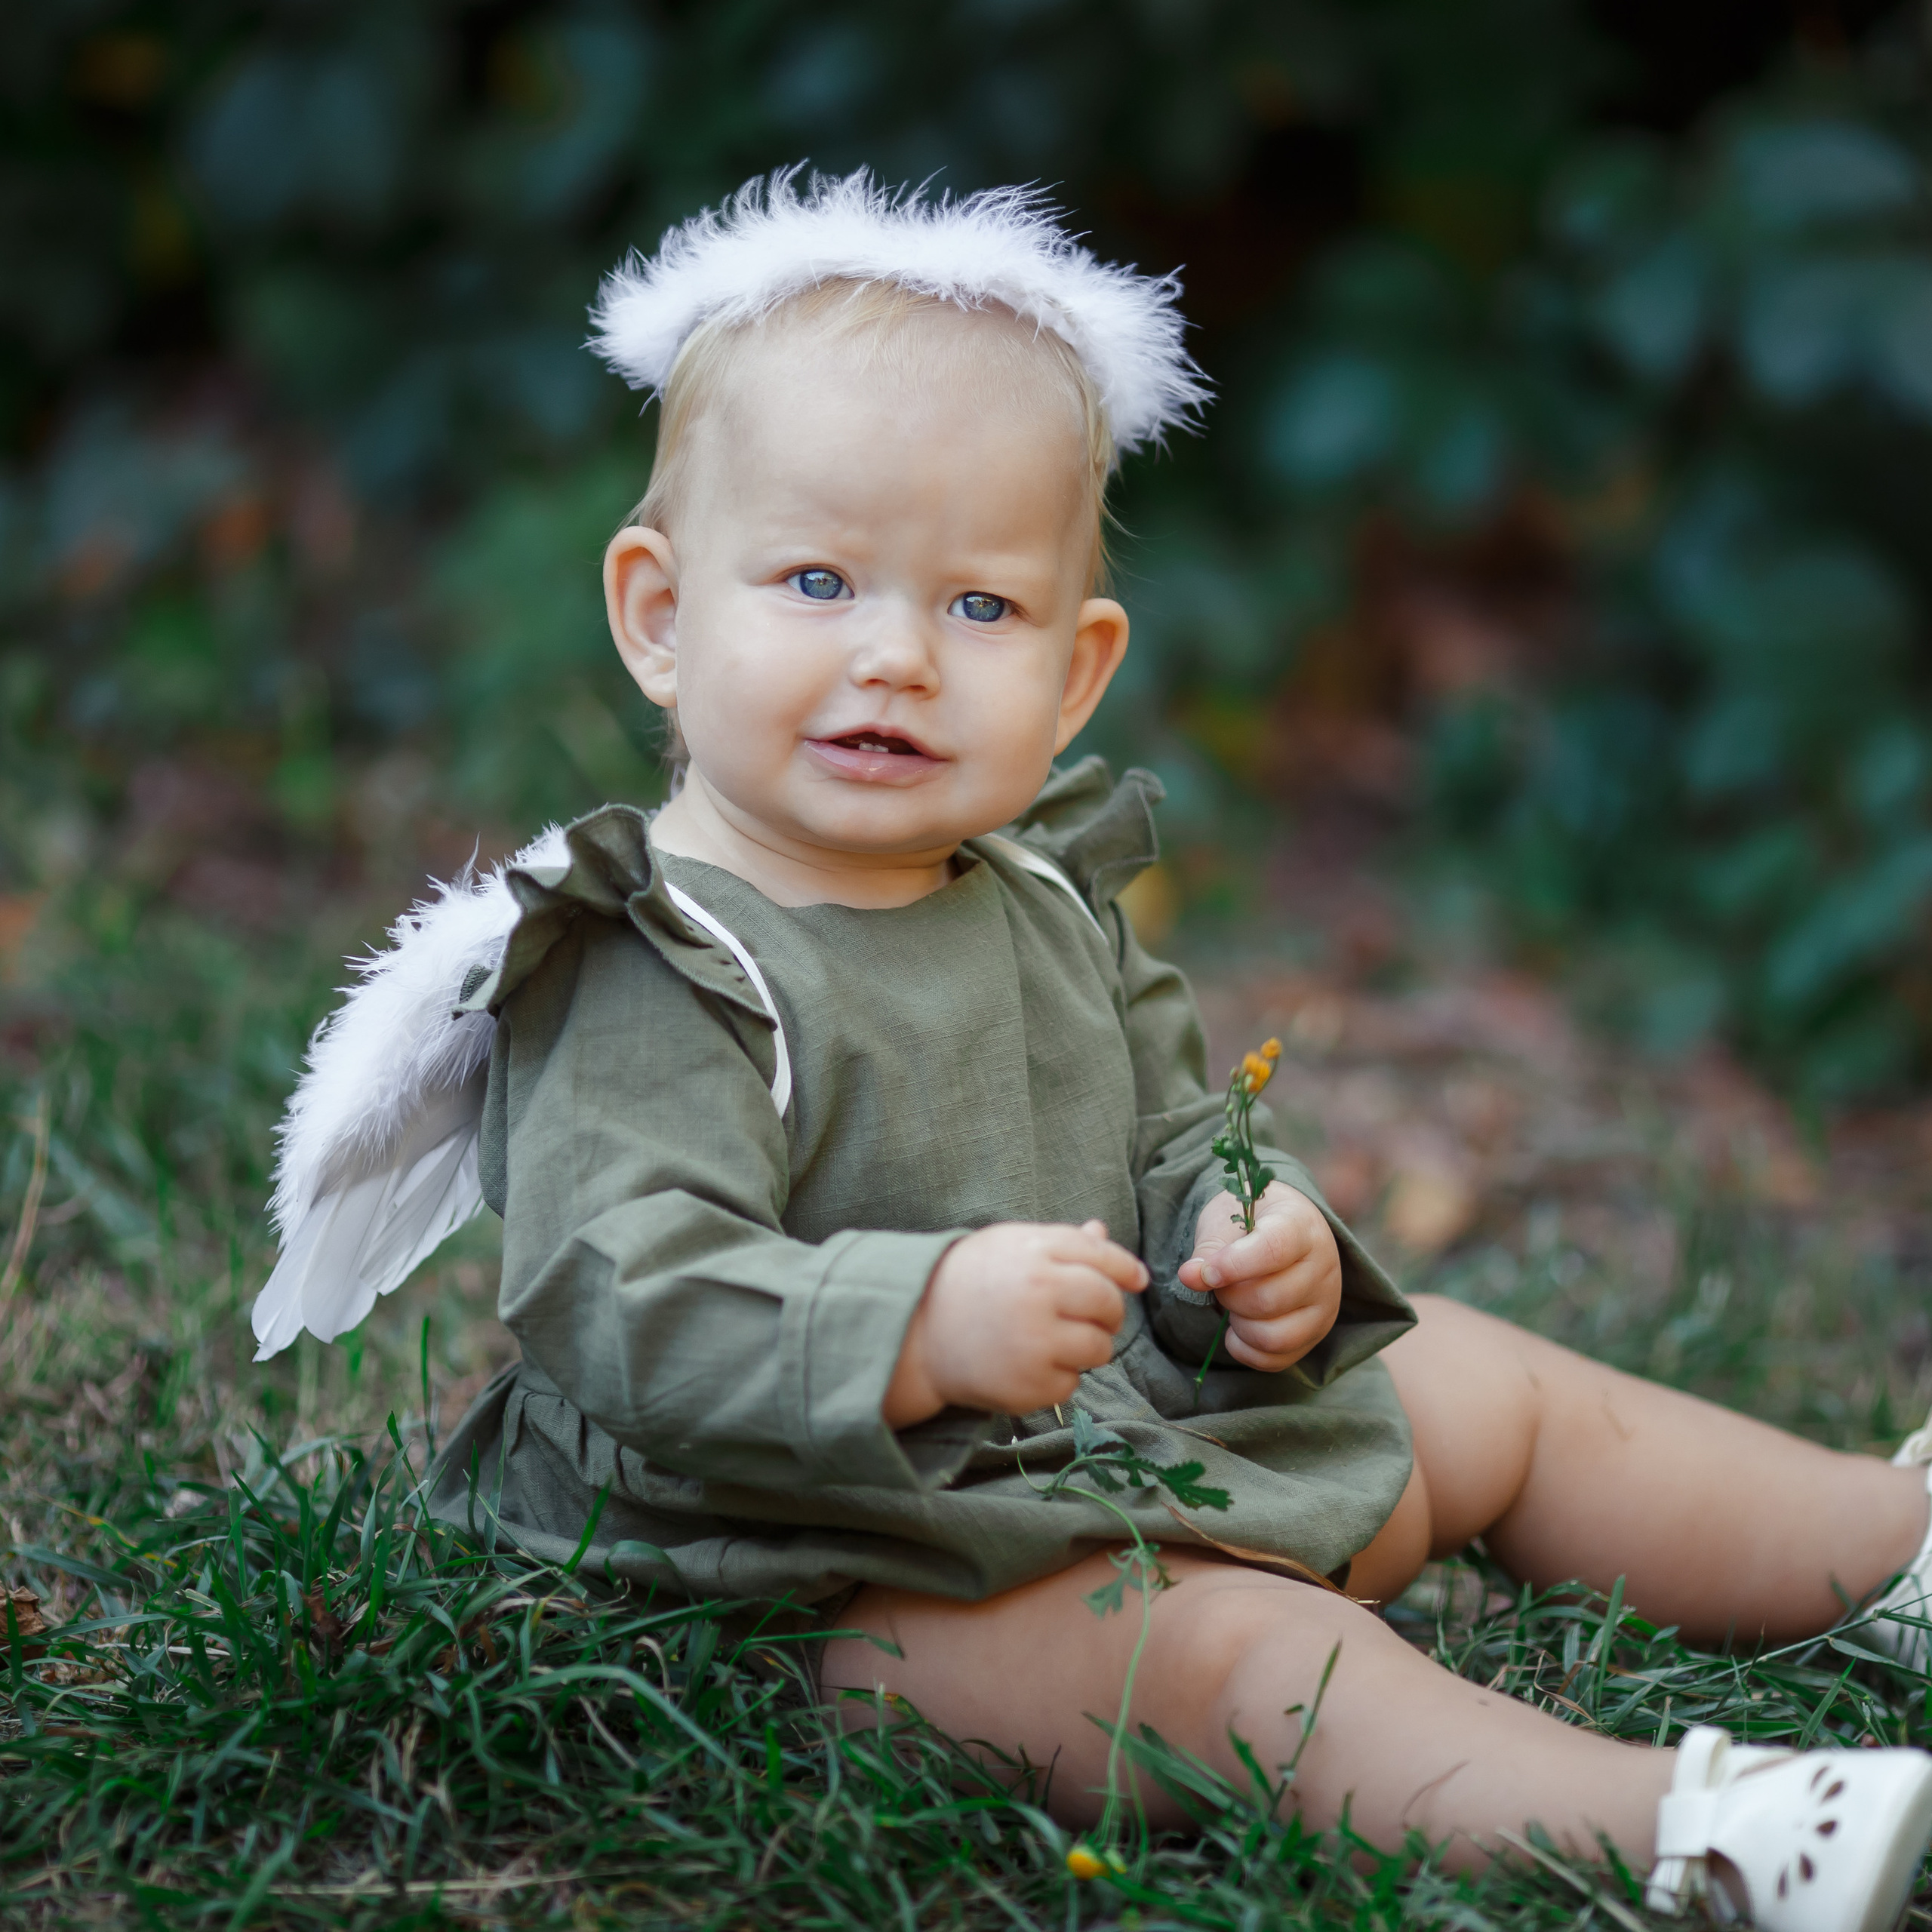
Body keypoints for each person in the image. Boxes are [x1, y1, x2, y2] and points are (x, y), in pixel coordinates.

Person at [253, 172, 1932, 1932]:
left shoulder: (1039, 896)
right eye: (817, 580)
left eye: (979, 607)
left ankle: (1884, 1546)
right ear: (662, 615)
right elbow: (624, 1293)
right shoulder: (657, 957)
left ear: (1074, 671)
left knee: (1473, 1377)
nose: (896, 655)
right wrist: (916, 1320)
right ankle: (1690, 1833)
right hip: (813, 1577)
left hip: (1094, 1447)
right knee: (1229, 1653)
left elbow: (1177, 1134)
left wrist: (1252, 1238)